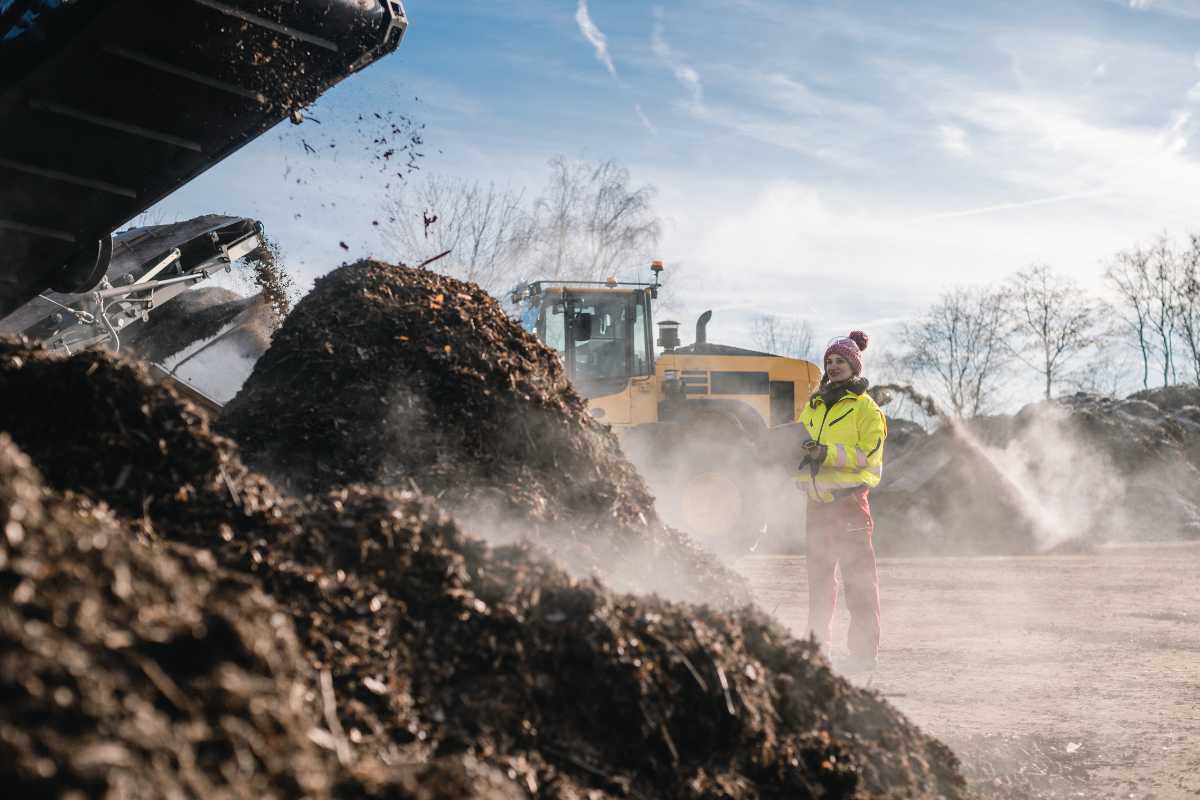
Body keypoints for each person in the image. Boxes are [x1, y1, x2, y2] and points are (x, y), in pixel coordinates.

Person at [797, 331, 887, 672]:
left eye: (840, 361)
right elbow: (801, 449)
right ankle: (816, 651)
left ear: (854, 365)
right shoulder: (814, 405)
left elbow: (869, 457)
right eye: (829, 361)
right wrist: (797, 470)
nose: (833, 367)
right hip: (816, 506)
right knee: (818, 585)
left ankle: (864, 657)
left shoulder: (867, 410)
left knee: (859, 583)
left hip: (849, 506)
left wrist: (827, 453)